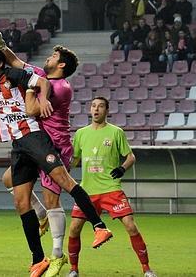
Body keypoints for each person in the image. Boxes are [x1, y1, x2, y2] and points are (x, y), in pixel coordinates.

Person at [0, 43, 113, 277]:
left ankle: (99, 227)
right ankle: (38, 258)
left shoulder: (15, 75)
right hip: (18, 145)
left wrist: (43, 99)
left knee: (64, 182)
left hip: (34, 137)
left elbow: (42, 81)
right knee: (20, 201)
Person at [0, 42, 79, 277]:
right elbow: (16, 62)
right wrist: (0, 44)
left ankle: (56, 255)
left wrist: (33, 90)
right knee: (7, 179)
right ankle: (41, 214)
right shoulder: (43, 76)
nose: (49, 57)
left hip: (57, 147)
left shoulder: (61, 86)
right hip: (38, 146)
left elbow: (32, 108)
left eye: (54, 55)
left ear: (61, 64)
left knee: (53, 200)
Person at [68, 97, 157, 277]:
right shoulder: (81, 134)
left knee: (131, 227)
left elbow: (130, 157)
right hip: (87, 192)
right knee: (74, 229)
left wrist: (122, 168)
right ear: (90, 109)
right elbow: (74, 161)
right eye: (93, 106)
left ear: (107, 110)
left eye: (100, 106)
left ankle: (147, 269)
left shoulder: (116, 132)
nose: (96, 109)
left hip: (111, 189)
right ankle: (74, 270)